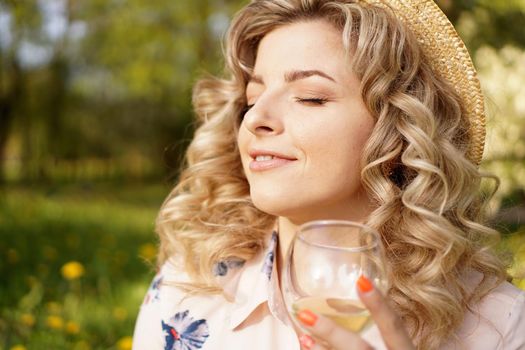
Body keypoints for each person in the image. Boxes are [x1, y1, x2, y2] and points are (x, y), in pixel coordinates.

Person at [132, 0, 525, 349]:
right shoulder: (186, 288)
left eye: (310, 98)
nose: (256, 119)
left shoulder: (498, 325)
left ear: (398, 134)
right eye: (252, 98)